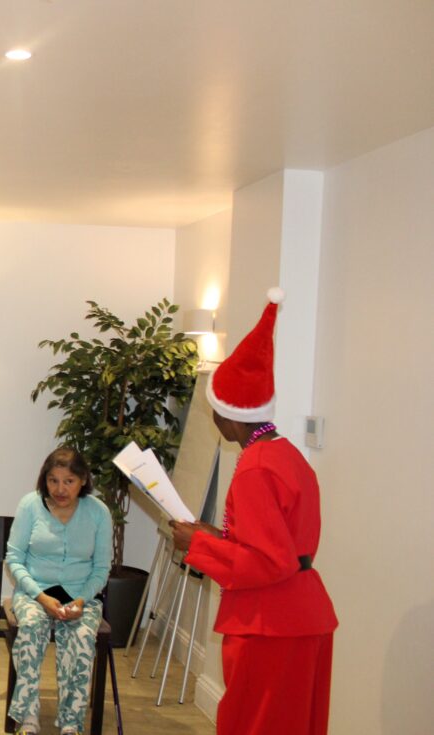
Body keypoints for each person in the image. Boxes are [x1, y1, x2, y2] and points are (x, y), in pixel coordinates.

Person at [170, 288, 336, 735]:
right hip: (302, 615)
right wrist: (218, 536)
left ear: (228, 416)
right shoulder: (286, 455)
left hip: (271, 624)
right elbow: (282, 544)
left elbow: (268, 561)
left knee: (256, 724)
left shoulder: (255, 468)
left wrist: (199, 545)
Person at [5, 447, 112, 735]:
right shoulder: (30, 505)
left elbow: (101, 568)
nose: (60, 489)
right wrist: (41, 598)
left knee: (81, 638)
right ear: (44, 479)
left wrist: (80, 600)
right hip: (35, 592)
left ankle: (71, 723)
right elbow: (14, 559)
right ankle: (28, 718)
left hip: (81, 596)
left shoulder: (98, 512)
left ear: (83, 480)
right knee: (31, 628)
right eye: (53, 480)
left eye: (69, 481)